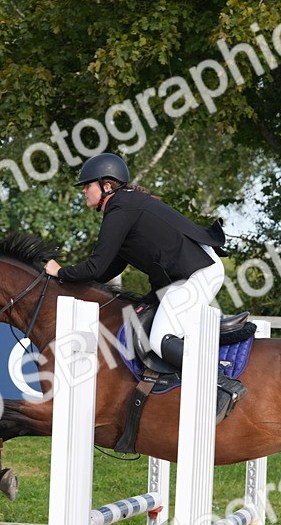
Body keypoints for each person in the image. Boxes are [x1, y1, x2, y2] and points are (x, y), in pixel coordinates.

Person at [43, 153, 246, 421]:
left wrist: (60, 272)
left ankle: (223, 383)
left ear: (106, 186)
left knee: (160, 339)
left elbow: (95, 267)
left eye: (87, 184)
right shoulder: (125, 206)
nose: (83, 190)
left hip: (197, 273)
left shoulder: (120, 208)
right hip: (190, 273)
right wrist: (70, 279)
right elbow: (108, 269)